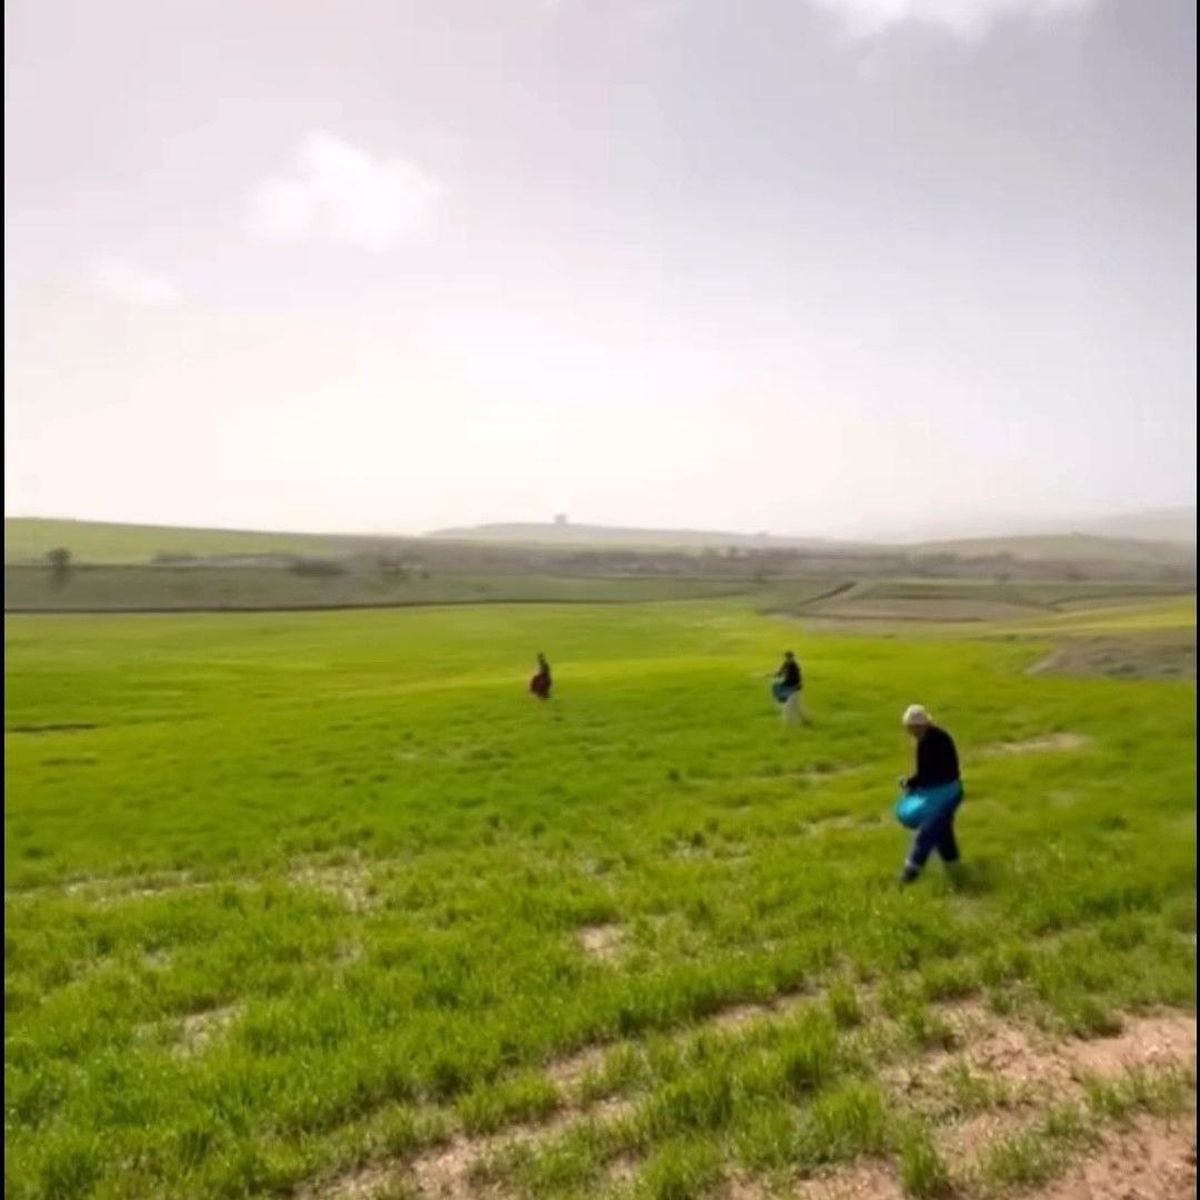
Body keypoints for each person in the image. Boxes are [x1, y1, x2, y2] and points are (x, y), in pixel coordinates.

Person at [895, 704, 963, 884]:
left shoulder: (928, 742)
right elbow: (929, 773)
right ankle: (953, 865)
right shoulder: (936, 736)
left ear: (919, 725)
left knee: (927, 832)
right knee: (942, 830)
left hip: (945, 794)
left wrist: (909, 783)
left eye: (911, 728)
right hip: (950, 790)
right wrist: (914, 783)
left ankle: (909, 875)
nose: (910, 732)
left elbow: (927, 774)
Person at [771, 651, 805, 725]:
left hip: (795, 689)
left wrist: (782, 681)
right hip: (789, 689)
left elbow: (794, 680)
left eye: (790, 658)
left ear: (793, 658)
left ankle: (790, 724)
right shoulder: (785, 663)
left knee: (790, 707)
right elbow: (780, 672)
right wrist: (775, 674)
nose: (788, 659)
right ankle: (802, 722)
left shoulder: (795, 667)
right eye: (787, 658)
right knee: (795, 707)